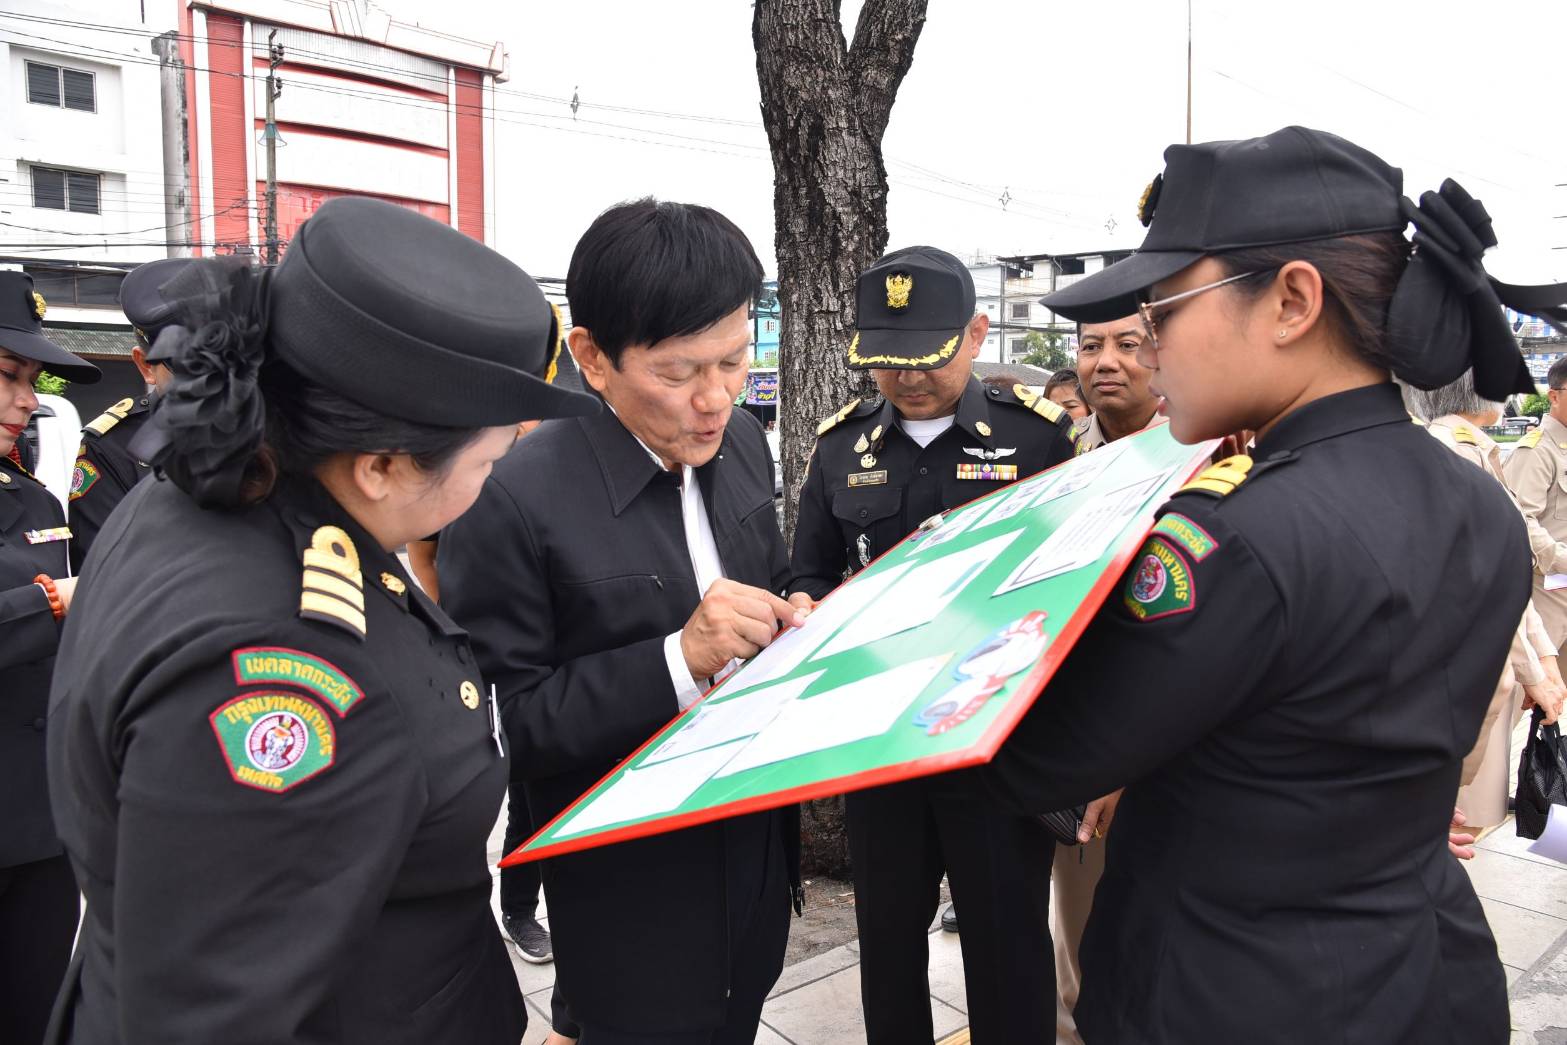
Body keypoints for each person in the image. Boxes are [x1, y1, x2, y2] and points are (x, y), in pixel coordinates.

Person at [980, 125, 1559, 1043]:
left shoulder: (1234, 537)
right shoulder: (1474, 499)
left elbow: (1040, 757)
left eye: (1163, 312)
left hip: (1231, 987)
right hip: (1424, 968)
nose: (1150, 349)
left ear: (1291, 301)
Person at [45, 196, 600, 1045]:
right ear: (380, 465)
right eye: (491, 458)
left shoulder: (214, 486)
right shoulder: (286, 667)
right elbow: (218, 1015)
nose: (497, 475)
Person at [439, 199, 806, 1045]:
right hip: (628, 894)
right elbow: (504, 725)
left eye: (733, 360)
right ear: (592, 357)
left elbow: (773, 578)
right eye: (678, 373)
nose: (714, 398)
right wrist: (678, 658)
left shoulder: (742, 445)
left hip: (755, 849)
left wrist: (799, 614)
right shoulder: (512, 497)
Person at [788, 245, 1076, 1044]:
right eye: (888, 359)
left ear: (975, 334)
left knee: (1006, 947)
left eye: (927, 356)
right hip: (882, 743)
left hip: (997, 744)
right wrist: (805, 607)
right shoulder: (840, 447)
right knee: (886, 944)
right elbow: (807, 569)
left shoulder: (1037, 440)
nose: (907, 377)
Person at [1041, 311, 1169, 1045]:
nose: (1106, 361)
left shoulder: (1215, 446)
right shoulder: (1052, 458)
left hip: (1180, 741)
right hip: (1083, 747)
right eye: (1091, 346)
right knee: (1081, 944)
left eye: (1128, 344)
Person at [0, 272, 99, 1045]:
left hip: (38, 823)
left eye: (32, 380)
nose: (25, 399)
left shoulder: (32, 495)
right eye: (8, 375)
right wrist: (55, 602)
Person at [1409, 374, 1566, 847]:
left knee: (1468, 811)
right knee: (1460, 812)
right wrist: (1534, 668)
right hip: (1477, 659)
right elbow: (1487, 577)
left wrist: (1541, 658)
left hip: (1499, 648)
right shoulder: (1454, 450)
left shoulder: (1473, 446)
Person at [67, 258, 187, 570]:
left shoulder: (270, 429)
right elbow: (102, 572)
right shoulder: (113, 447)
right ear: (146, 365)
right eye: (188, 365)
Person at [1504, 356, 1567, 680]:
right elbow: (1520, 521)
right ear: (1554, 396)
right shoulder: (1537, 450)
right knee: (1535, 689)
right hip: (1548, 596)